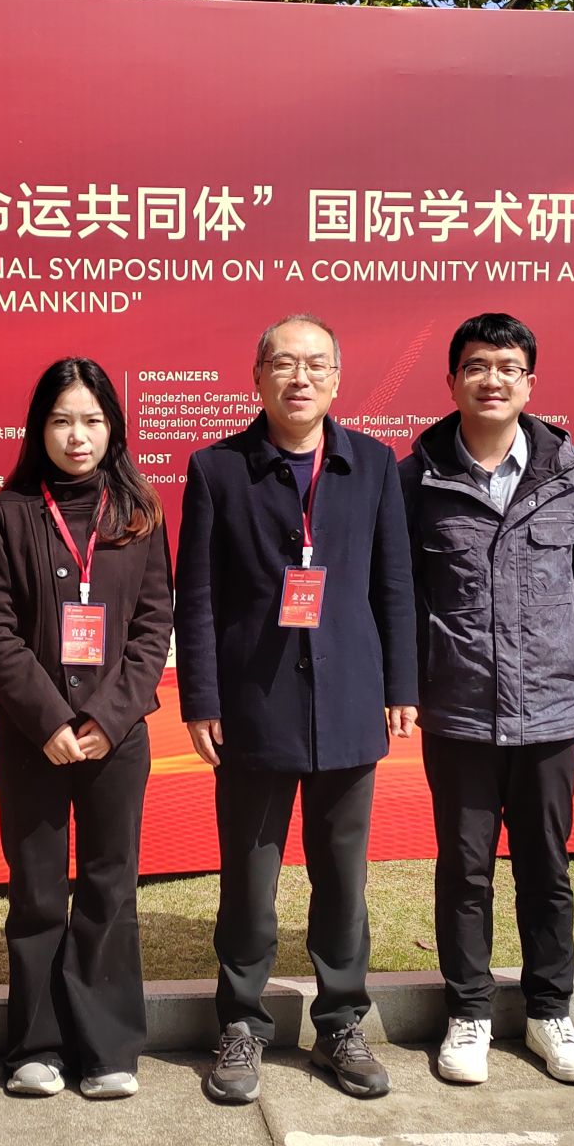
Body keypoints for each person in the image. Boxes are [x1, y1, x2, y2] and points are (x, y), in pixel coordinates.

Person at [175, 314, 418, 1103]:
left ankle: (341, 1021)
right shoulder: (217, 470)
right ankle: (241, 1023)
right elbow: (197, 597)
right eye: (283, 364)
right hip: (253, 706)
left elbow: (394, 585)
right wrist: (202, 698)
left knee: (342, 879)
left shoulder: (373, 465)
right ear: (258, 378)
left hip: (348, 701)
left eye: (316, 364)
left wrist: (401, 686)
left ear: (337, 379)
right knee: (249, 882)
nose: (300, 378)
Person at [399, 313, 574, 1086]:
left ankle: (551, 1012)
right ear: (452, 380)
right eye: (477, 366)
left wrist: (552, 649)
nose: (492, 380)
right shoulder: (418, 478)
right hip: (458, 710)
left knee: (546, 869)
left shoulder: (572, 471)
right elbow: (404, 592)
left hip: (550, 710)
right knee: (464, 871)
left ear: (530, 383)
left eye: (508, 367)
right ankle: (469, 1014)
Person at [0, 358, 174, 1097]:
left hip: (116, 738)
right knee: (36, 890)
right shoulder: (9, 511)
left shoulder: (140, 512)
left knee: (109, 886)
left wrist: (105, 718)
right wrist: (51, 720)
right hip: (32, 739)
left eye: (91, 420)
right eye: (61, 421)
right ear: (40, 429)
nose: (77, 436)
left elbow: (153, 628)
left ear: (113, 427)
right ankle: (37, 1046)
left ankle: (107, 1048)